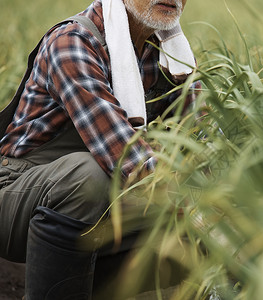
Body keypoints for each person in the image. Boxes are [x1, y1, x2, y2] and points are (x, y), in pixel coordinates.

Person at [0, 0, 199, 298]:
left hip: (102, 193)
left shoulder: (172, 55)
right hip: (17, 192)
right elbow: (125, 157)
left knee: (201, 214)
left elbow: (199, 141)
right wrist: (200, 210)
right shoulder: (72, 42)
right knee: (90, 177)